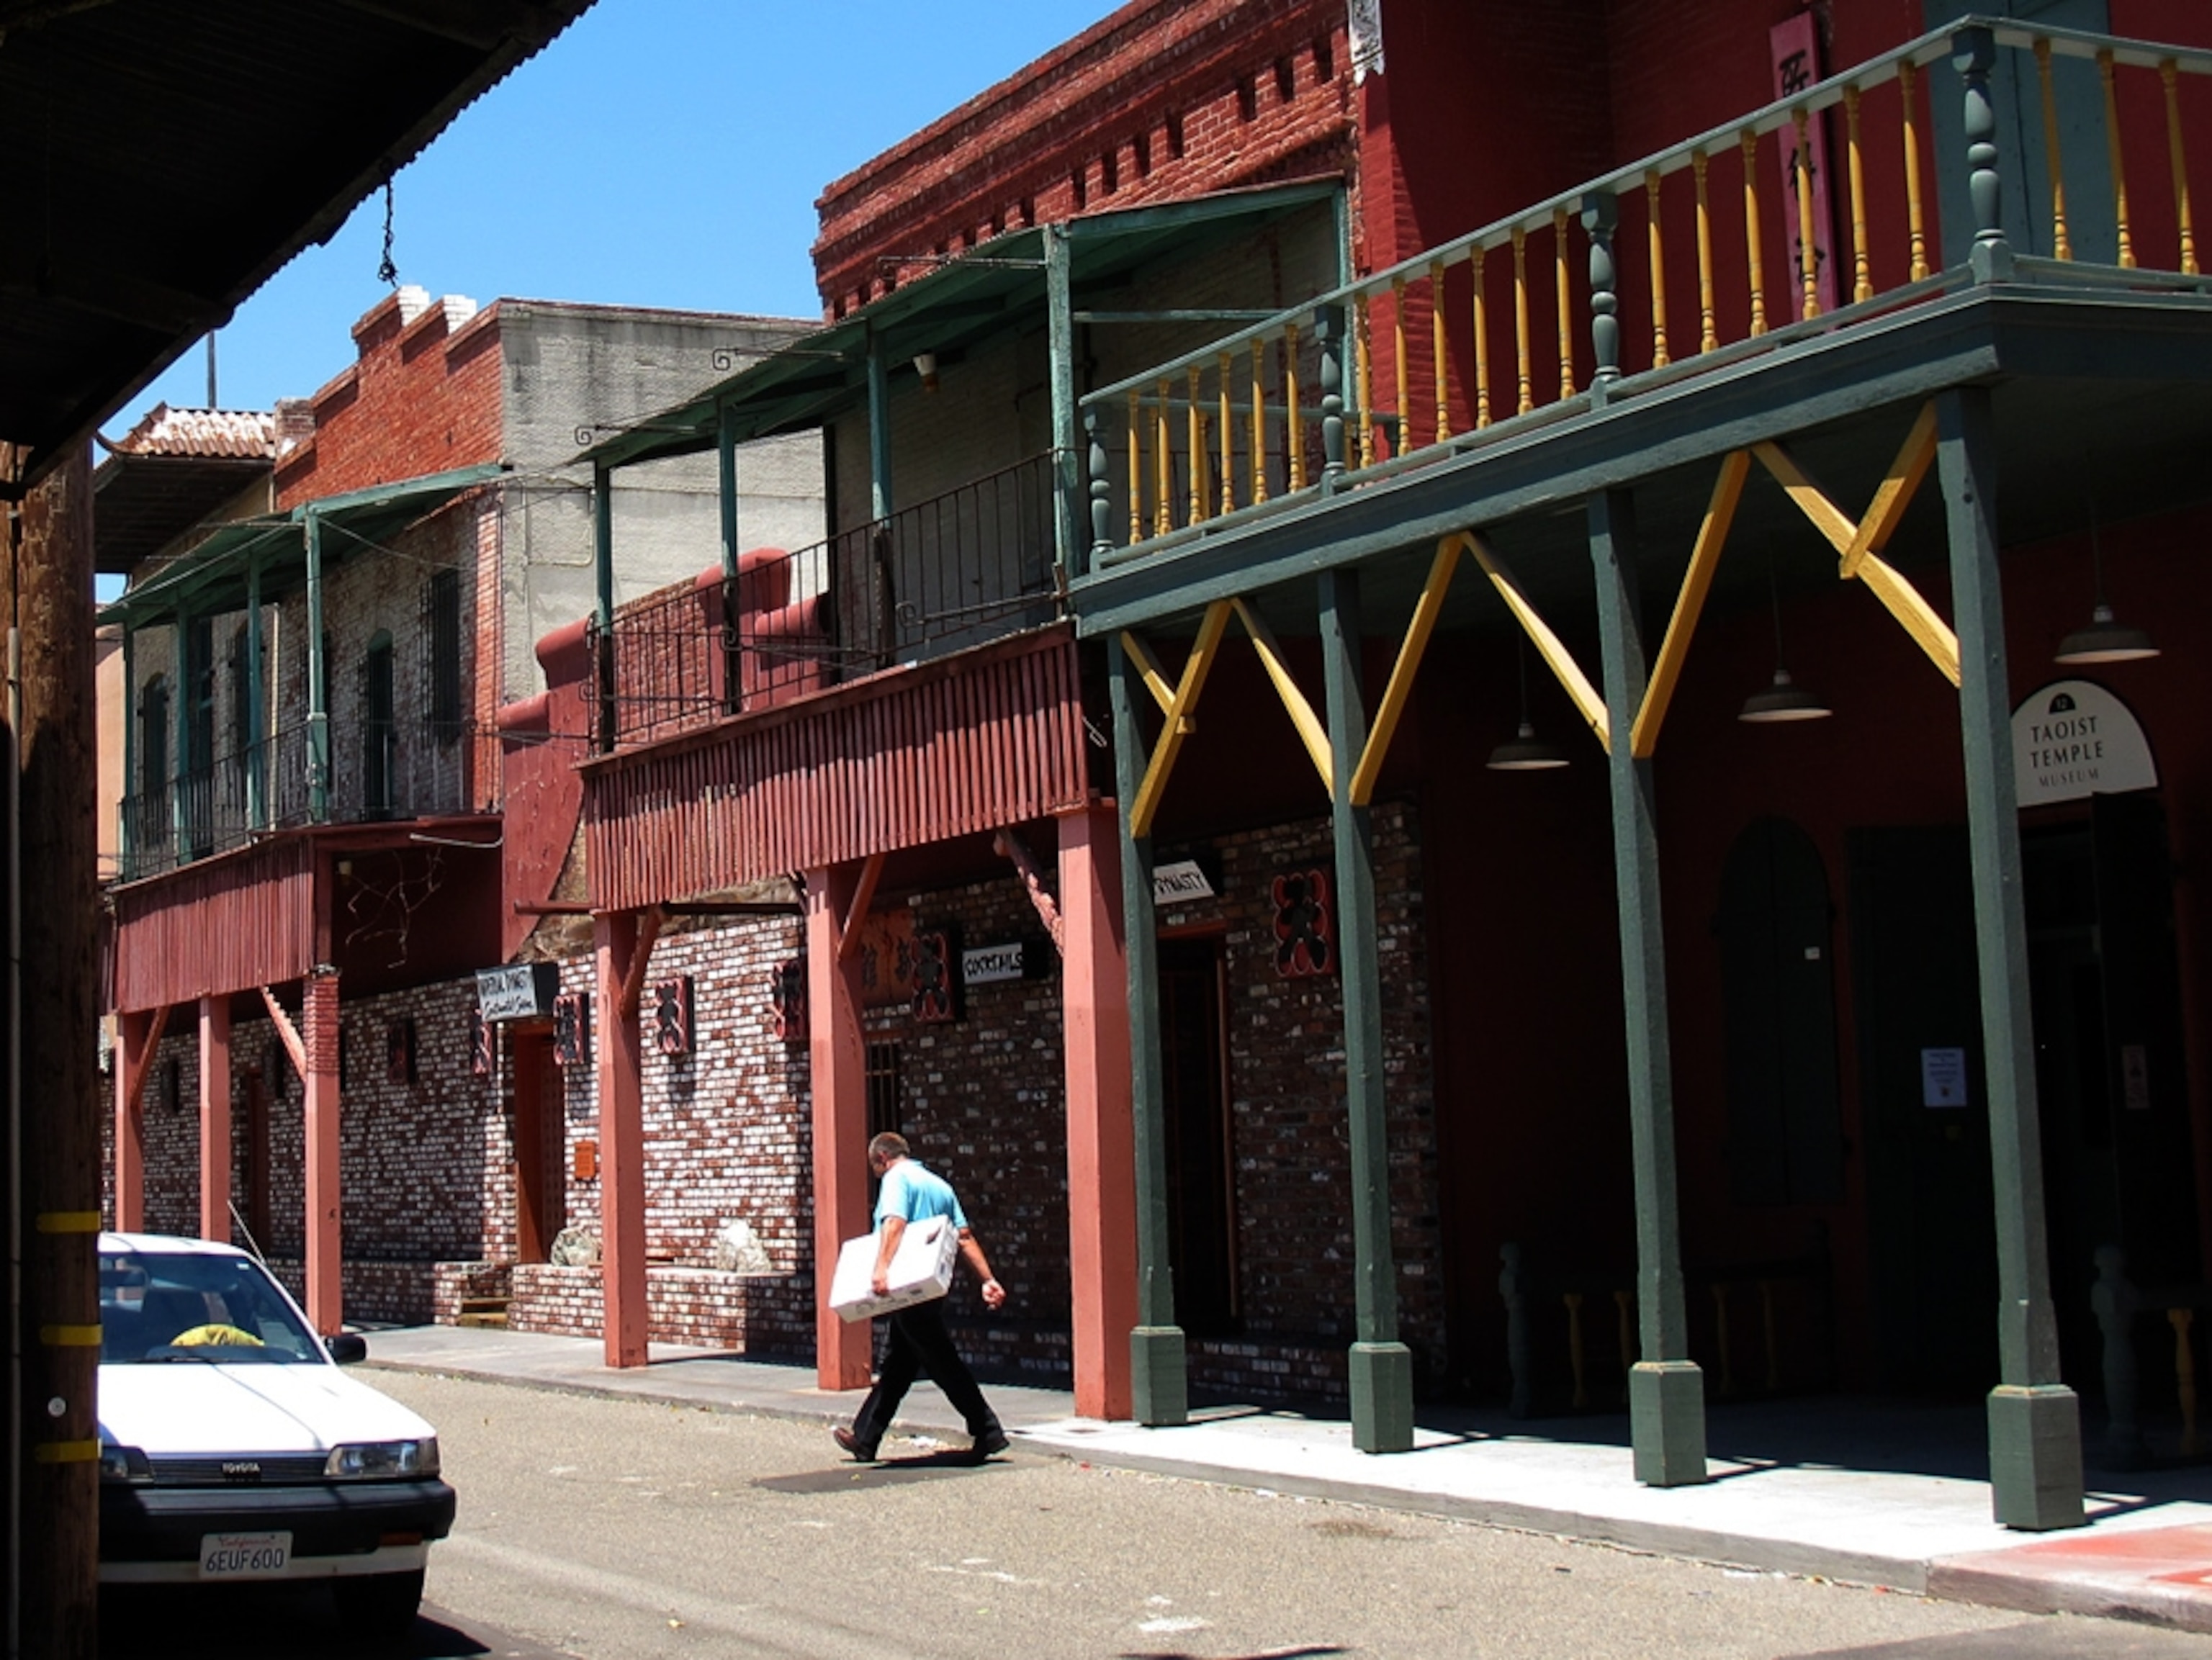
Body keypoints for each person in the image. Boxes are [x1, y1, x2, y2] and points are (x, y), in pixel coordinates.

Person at [834, 1132, 1010, 1463]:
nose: (876, 1173)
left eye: (875, 1167)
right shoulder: (939, 1184)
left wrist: (881, 1268)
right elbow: (964, 1235)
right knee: (898, 1367)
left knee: (943, 1363)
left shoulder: (896, 1178)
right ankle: (865, 1439)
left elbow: (895, 1223)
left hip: (906, 1286)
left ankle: (988, 1430)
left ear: (882, 1158)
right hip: (931, 1286)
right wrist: (987, 1279)